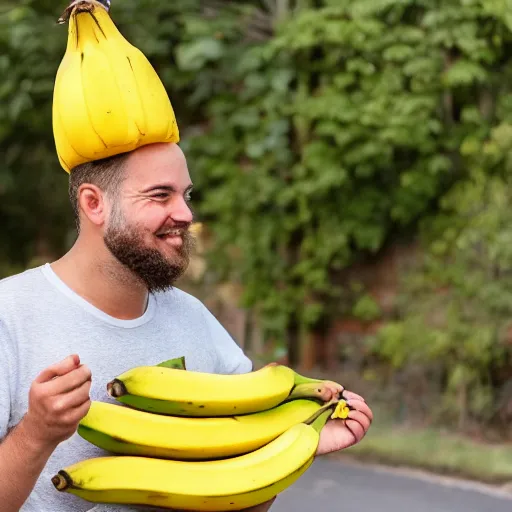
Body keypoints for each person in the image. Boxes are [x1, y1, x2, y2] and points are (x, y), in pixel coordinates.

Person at [0, 141, 373, 512]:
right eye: (161, 195)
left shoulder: (194, 320)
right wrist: (36, 434)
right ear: (94, 204)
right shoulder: (10, 315)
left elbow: (233, 497)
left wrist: (297, 445)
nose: (185, 213)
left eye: (186, 194)